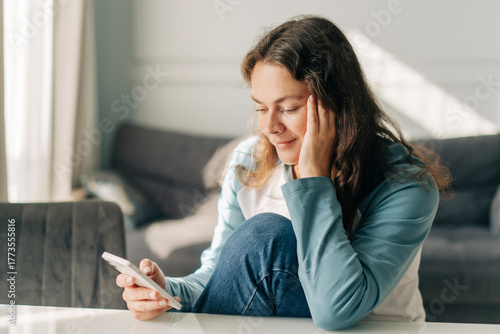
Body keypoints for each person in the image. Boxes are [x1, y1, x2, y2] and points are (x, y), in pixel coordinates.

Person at [116, 15, 452, 330]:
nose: (270, 127)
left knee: (268, 237)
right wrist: (168, 292)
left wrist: (312, 180)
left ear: (337, 105)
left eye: (288, 108)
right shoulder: (248, 161)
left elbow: (338, 308)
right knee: (264, 239)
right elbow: (221, 274)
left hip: (371, 328)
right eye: (261, 108)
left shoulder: (405, 185)